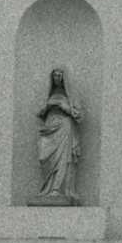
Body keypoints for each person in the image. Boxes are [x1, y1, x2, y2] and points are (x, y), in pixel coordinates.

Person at [35, 64, 83, 203]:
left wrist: (65, 108)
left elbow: (79, 115)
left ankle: (58, 189)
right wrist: (47, 107)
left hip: (64, 127)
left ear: (64, 77)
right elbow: (39, 112)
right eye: (55, 75)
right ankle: (47, 189)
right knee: (44, 156)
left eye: (59, 75)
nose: (57, 77)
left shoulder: (71, 96)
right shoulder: (48, 94)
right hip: (49, 127)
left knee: (63, 158)